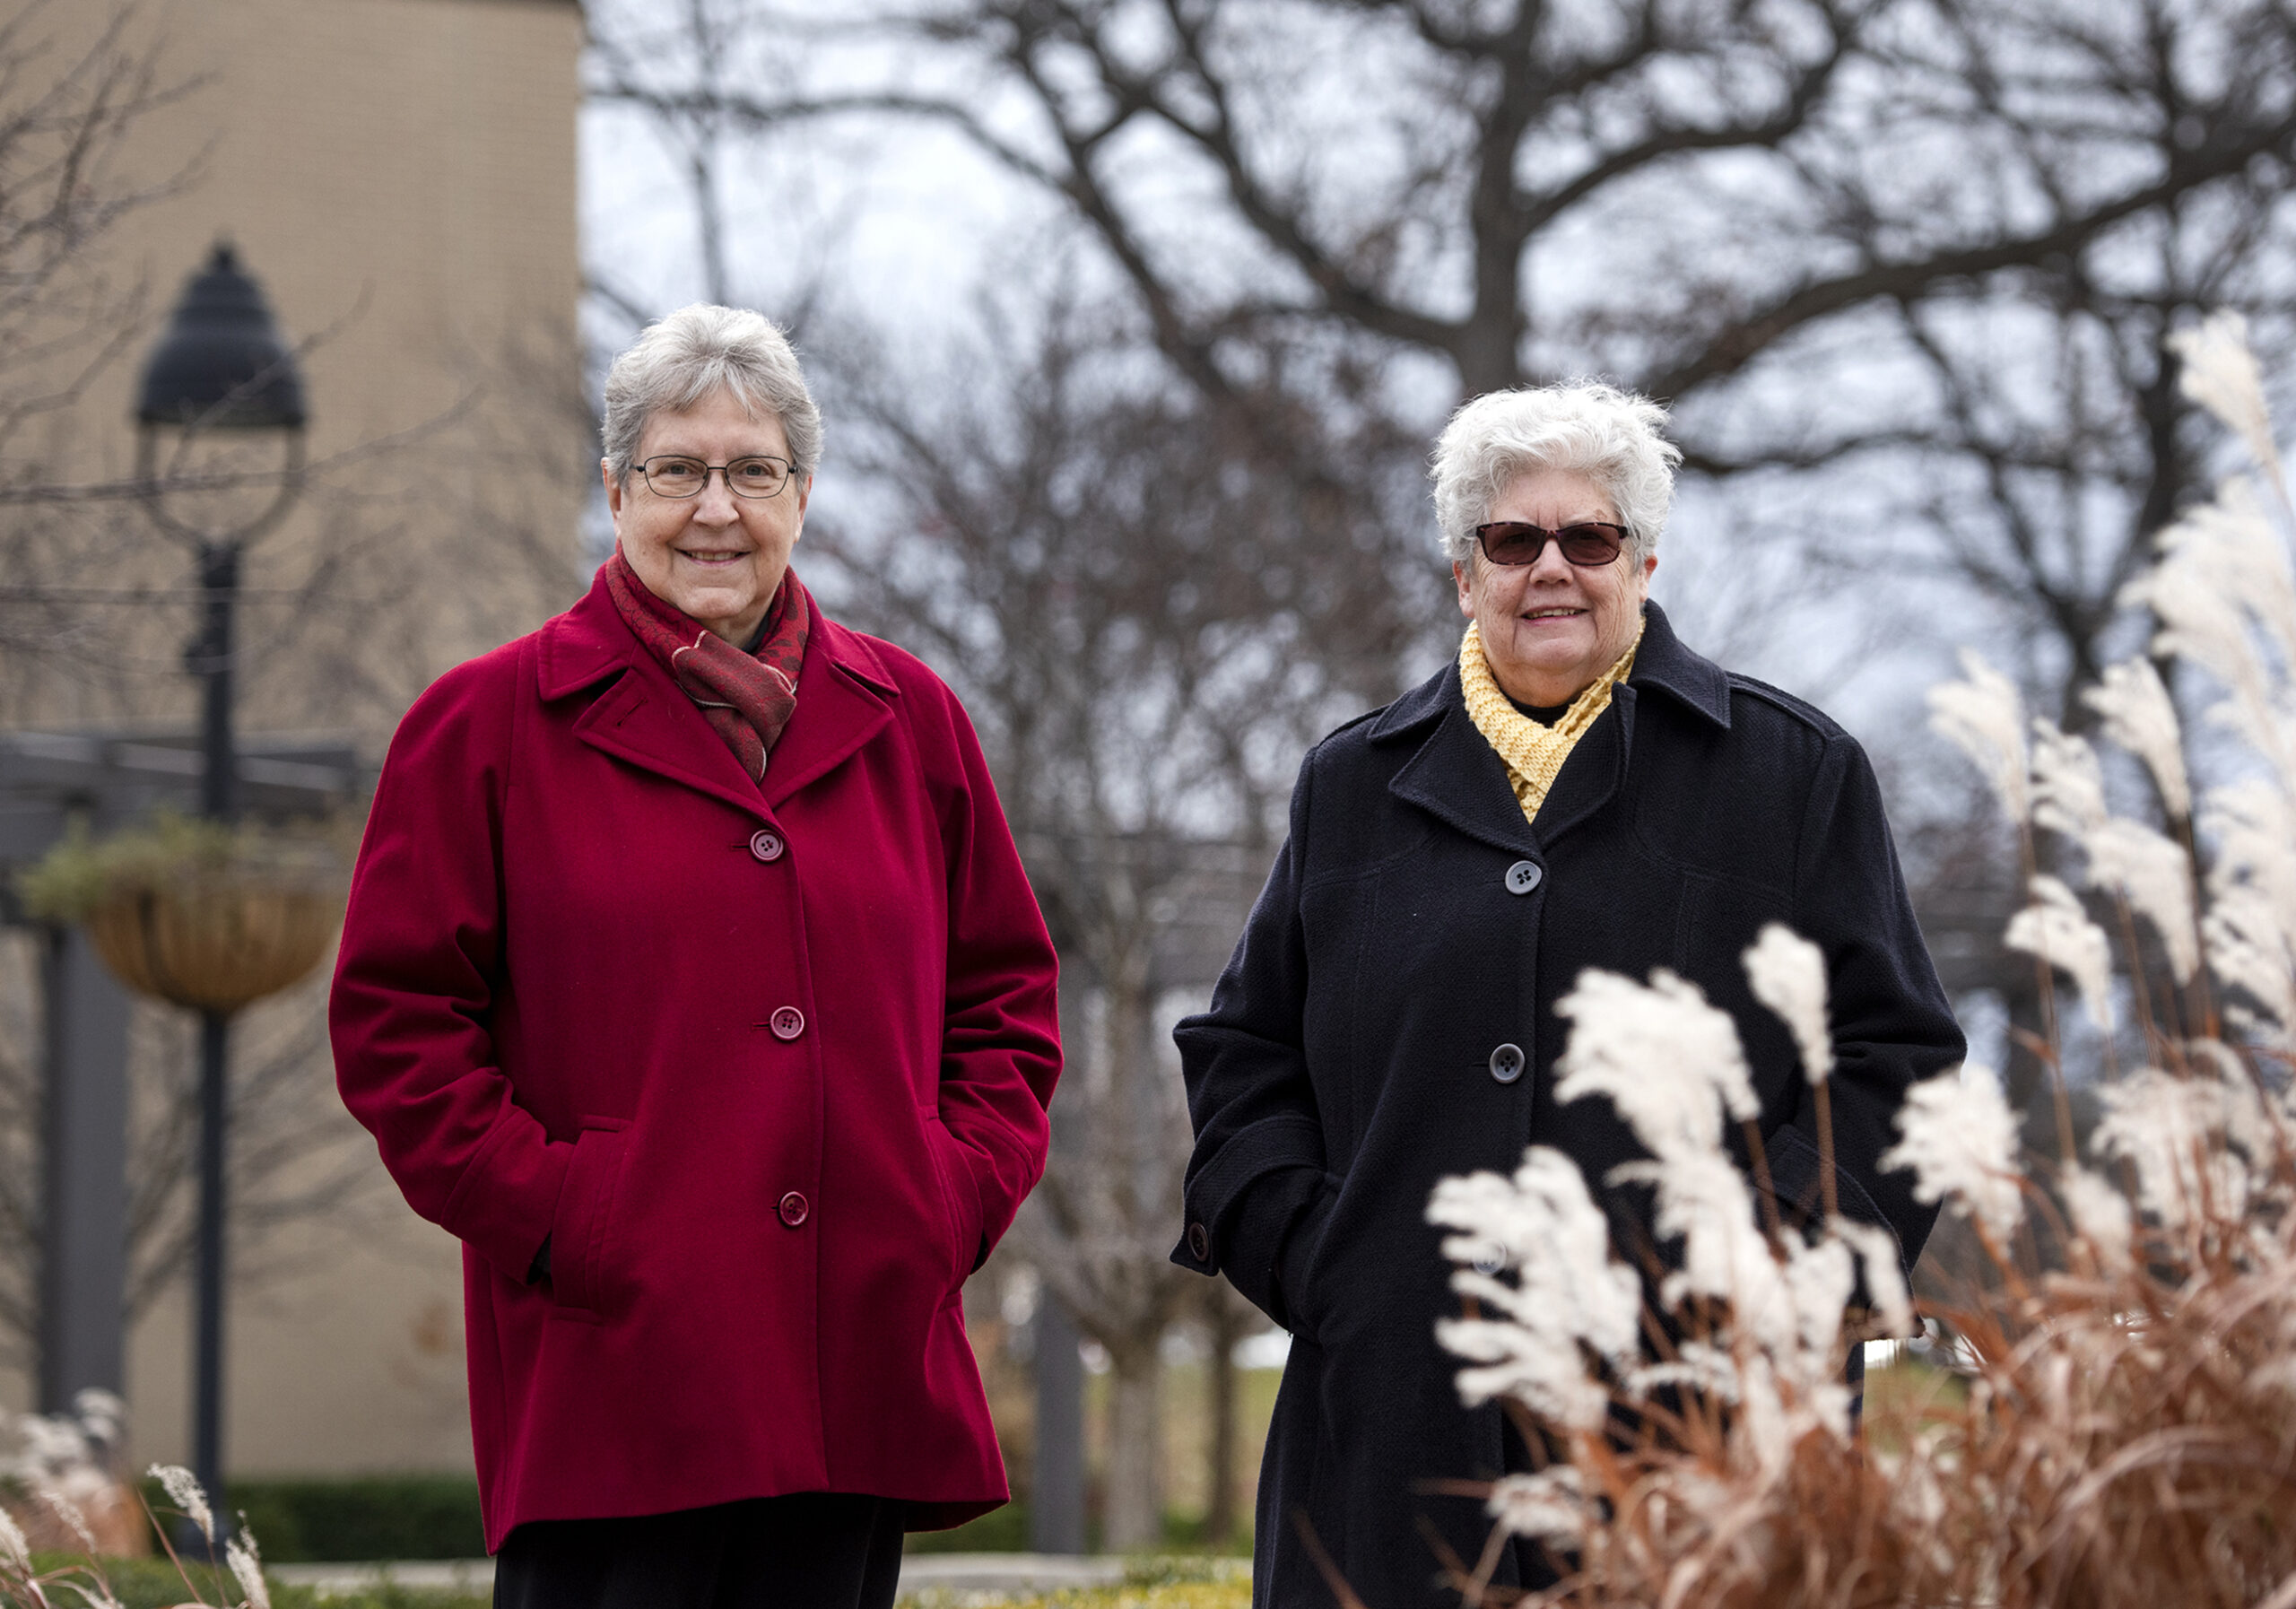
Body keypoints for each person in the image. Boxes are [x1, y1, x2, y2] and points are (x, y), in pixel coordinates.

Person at [1170, 382, 1964, 1607]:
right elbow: (1242, 1051)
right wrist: (1332, 1264)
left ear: (1644, 560)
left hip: (1702, 1434)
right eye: (1512, 538)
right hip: (1395, 1438)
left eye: (1588, 538)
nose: (1552, 567)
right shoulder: (1352, 783)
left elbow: (1895, 1062)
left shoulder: (1792, 775)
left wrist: (1769, 1277)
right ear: (1463, 572)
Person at [331, 305, 1061, 1609]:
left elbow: (1005, 1003)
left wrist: (944, 1197)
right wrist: (571, 1216)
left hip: (855, 1355)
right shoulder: (484, 726)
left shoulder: (915, 722)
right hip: (618, 1372)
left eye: (753, 470)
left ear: (804, 492)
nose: (714, 508)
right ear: (614, 490)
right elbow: (398, 1029)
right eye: (677, 470)